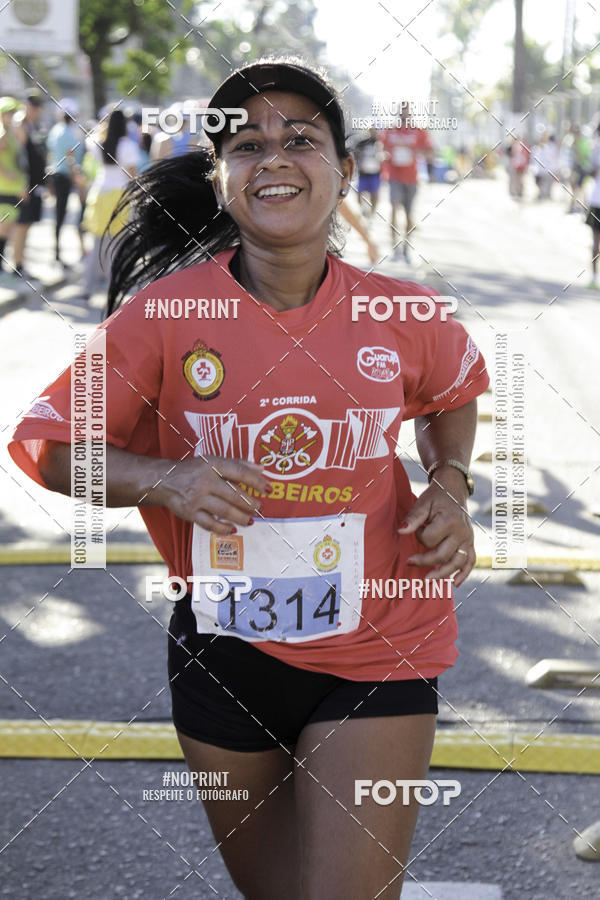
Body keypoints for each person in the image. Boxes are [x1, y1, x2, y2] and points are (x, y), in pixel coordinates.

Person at [9, 59, 489, 898]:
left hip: (380, 645)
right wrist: (167, 479)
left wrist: (449, 480)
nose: (273, 156)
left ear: (344, 169)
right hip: (224, 656)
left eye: (301, 139)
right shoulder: (162, 317)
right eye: (247, 144)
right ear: (221, 177)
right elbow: (49, 448)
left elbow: (451, 393)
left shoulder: (405, 312)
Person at [81, 108, 139, 300]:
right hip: (119, 195)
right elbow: (132, 174)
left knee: (97, 244)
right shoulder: (127, 145)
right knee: (117, 246)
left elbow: (90, 138)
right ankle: (113, 291)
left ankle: (87, 288)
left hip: (99, 193)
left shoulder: (98, 142)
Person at [382, 103, 433, 263]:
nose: (405, 114)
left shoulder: (418, 131)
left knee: (409, 214)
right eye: (402, 111)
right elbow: (381, 148)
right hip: (394, 176)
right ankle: (394, 249)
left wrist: (416, 152)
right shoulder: (390, 130)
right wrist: (384, 156)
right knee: (394, 209)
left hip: (412, 178)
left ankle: (406, 249)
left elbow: (430, 151)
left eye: (407, 111)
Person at [12, 91, 47, 277]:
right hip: (24, 185)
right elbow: (19, 159)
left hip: (36, 183)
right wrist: (22, 184)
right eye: (31, 106)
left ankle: (20, 262)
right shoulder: (20, 125)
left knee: (27, 224)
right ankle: (17, 265)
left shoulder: (34, 126)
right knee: (20, 224)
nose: (34, 111)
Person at [47, 98, 85, 265]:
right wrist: (76, 177)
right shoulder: (68, 132)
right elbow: (70, 158)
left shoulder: (55, 130)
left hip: (56, 176)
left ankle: (56, 252)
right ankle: (57, 254)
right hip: (64, 177)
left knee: (58, 215)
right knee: (61, 215)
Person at [0, 96, 27, 276]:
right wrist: (5, 173)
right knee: (4, 228)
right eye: (9, 112)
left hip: (15, 187)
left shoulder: (12, 133)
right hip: (4, 188)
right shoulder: (2, 134)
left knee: (10, 228)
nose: (12, 116)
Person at [353, 126, 385, 218]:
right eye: (371, 131)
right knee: (359, 192)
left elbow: (385, 155)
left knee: (374, 193)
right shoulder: (362, 143)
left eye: (375, 131)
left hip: (375, 173)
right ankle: (362, 209)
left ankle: (372, 212)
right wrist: (358, 164)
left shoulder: (380, 143)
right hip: (363, 172)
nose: (373, 133)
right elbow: (355, 154)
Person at [585, 122, 600, 289]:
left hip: (597, 200)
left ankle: (595, 277)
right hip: (596, 199)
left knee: (596, 240)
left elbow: (592, 171)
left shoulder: (596, 147)